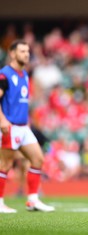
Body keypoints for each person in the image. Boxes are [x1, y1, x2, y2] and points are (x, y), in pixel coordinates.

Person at [0, 40, 55, 213]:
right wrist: (2, 120)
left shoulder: (24, 75)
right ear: (12, 53)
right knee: (5, 164)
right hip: (10, 126)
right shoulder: (4, 75)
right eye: (22, 51)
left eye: (28, 51)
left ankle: (32, 200)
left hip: (24, 127)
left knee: (38, 159)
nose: (26, 54)